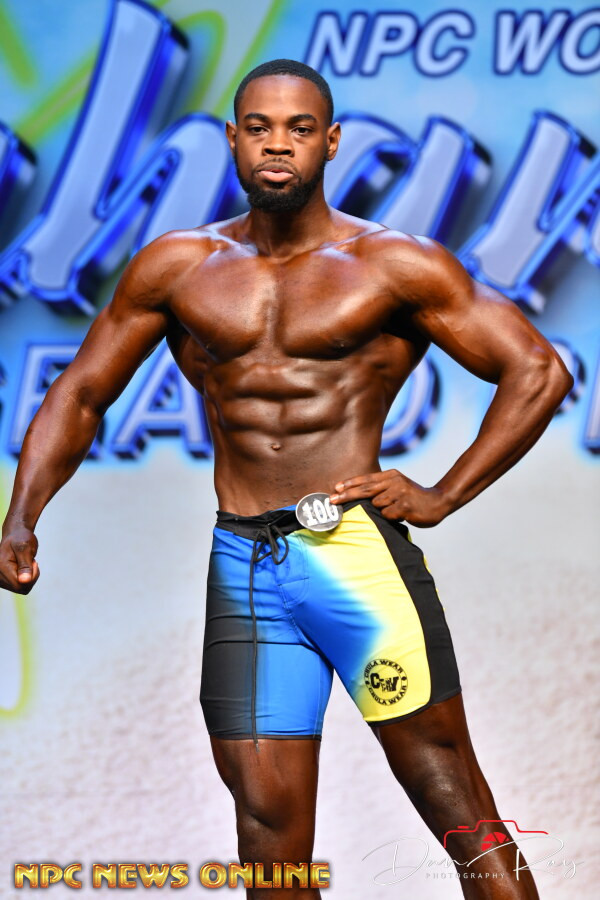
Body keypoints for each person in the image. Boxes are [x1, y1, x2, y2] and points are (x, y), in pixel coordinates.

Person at [0, 59, 571, 899]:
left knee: (458, 810)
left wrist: (444, 494)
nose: (278, 145)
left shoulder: (393, 264)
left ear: (329, 142)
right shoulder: (178, 266)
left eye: (299, 129)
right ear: (232, 139)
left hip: (356, 559)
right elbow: (82, 392)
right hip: (244, 566)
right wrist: (22, 515)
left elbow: (538, 370)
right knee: (267, 836)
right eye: (260, 128)